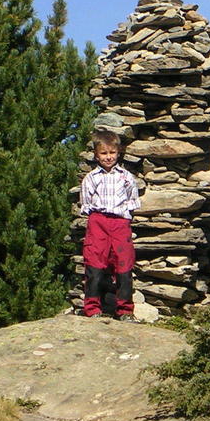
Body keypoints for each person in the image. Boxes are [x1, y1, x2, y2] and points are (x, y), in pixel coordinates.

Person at [79, 130, 140, 321]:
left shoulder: (126, 177)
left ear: (118, 152)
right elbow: (86, 202)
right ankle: (92, 308)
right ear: (96, 155)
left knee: (124, 263)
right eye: (104, 153)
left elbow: (134, 200)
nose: (108, 157)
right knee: (94, 262)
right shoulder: (91, 178)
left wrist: (124, 210)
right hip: (98, 221)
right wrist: (97, 213)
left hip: (120, 223)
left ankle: (125, 311)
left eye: (112, 153)